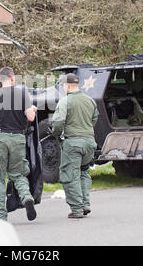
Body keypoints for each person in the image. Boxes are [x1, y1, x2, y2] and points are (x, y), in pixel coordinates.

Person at [0, 66, 37, 221]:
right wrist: (33, 109)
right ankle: (26, 198)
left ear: (0, 79)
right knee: (18, 174)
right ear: (12, 78)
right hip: (18, 139)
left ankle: (0, 217)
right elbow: (31, 117)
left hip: (0, 139)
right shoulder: (22, 94)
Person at [52, 73, 99, 218]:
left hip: (73, 143)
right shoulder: (90, 100)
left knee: (70, 175)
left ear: (66, 85)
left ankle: (77, 209)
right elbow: (95, 118)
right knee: (84, 172)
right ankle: (85, 204)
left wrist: (56, 133)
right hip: (90, 143)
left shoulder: (65, 101)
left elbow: (59, 121)